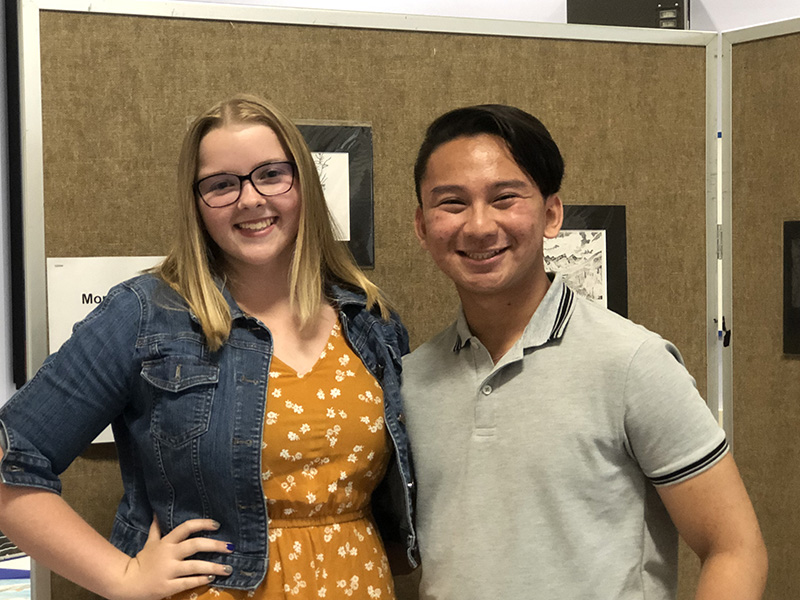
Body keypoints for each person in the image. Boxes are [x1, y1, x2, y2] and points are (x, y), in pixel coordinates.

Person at [0, 95, 417, 600]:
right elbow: (14, 457)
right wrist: (122, 577)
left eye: (270, 174)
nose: (249, 199)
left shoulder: (371, 322)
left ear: (303, 182)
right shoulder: (146, 314)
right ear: (197, 203)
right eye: (221, 185)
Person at [403, 104, 767, 599]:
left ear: (551, 214)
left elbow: (734, 547)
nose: (480, 225)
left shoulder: (633, 362)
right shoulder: (410, 381)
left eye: (505, 197)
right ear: (423, 227)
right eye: (452, 203)